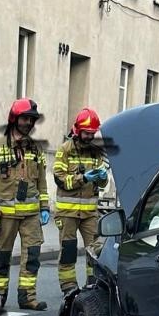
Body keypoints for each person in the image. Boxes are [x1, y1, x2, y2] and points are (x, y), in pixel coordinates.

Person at [0, 98, 50, 311]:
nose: (29, 123)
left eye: (31, 119)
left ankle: (27, 297)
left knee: (32, 257)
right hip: (6, 215)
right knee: (2, 258)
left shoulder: (36, 149)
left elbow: (42, 182)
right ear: (14, 119)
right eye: (25, 118)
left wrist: (45, 208)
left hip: (31, 216)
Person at [53, 108, 109, 295]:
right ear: (77, 131)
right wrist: (83, 178)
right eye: (86, 133)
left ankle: (93, 284)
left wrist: (102, 177)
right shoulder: (65, 150)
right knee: (68, 250)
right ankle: (69, 287)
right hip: (67, 212)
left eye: (92, 133)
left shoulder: (96, 151)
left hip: (89, 213)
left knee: (95, 250)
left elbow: (103, 182)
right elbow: (60, 179)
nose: (89, 137)